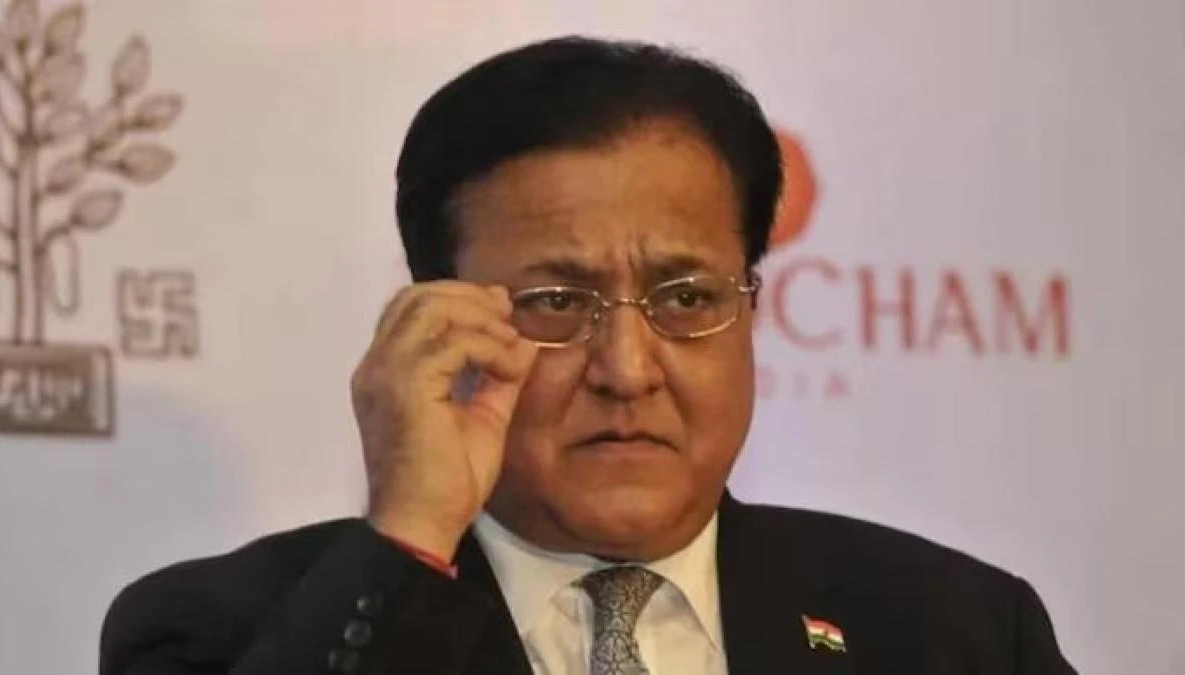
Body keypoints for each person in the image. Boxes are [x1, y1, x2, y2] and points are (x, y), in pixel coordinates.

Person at [99, 37, 1077, 675]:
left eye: (686, 298)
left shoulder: (959, 634)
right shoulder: (218, 632)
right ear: (435, 328)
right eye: (556, 303)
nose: (627, 368)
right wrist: (406, 538)